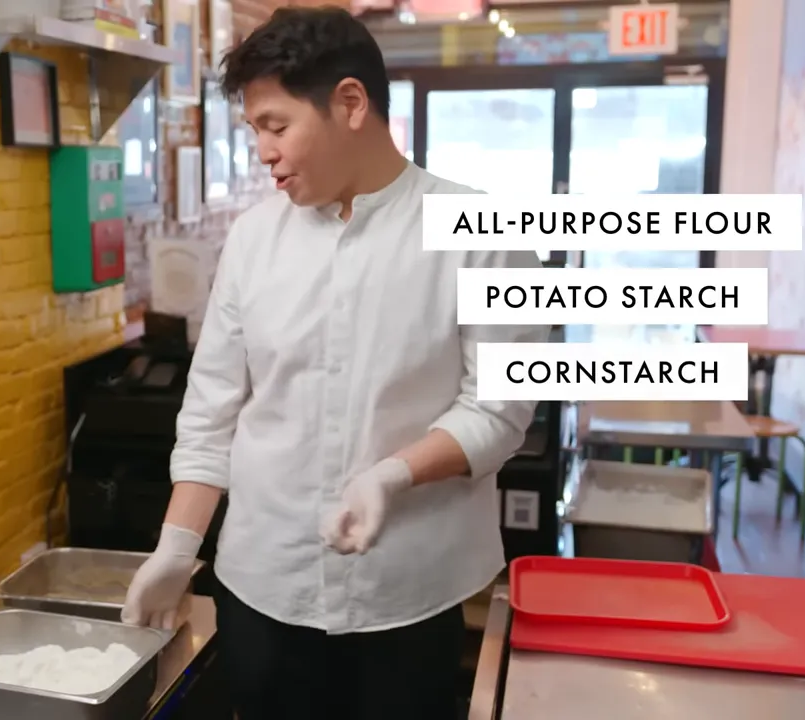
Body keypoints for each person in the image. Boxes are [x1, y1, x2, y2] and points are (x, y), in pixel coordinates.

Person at [120, 6, 547, 718]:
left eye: (276, 126)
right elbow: (211, 411)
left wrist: (392, 474)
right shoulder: (253, 240)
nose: (262, 152)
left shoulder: (483, 234)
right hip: (264, 587)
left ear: (350, 103)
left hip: (409, 592)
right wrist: (174, 546)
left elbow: (499, 410)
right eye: (253, 130)